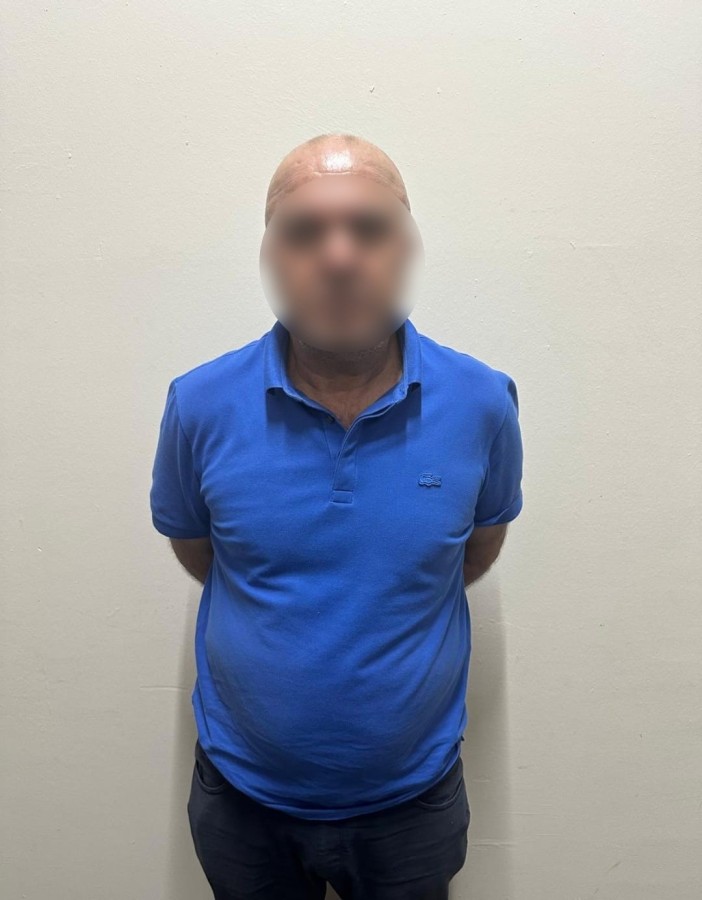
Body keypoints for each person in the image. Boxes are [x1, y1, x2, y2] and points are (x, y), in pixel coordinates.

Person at [149, 132, 524, 900]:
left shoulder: (483, 401)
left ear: (407, 248)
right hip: (242, 797)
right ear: (270, 256)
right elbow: (201, 552)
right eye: (304, 231)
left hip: (411, 802)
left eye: (369, 228)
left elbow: (475, 548)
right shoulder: (199, 404)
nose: (340, 256)